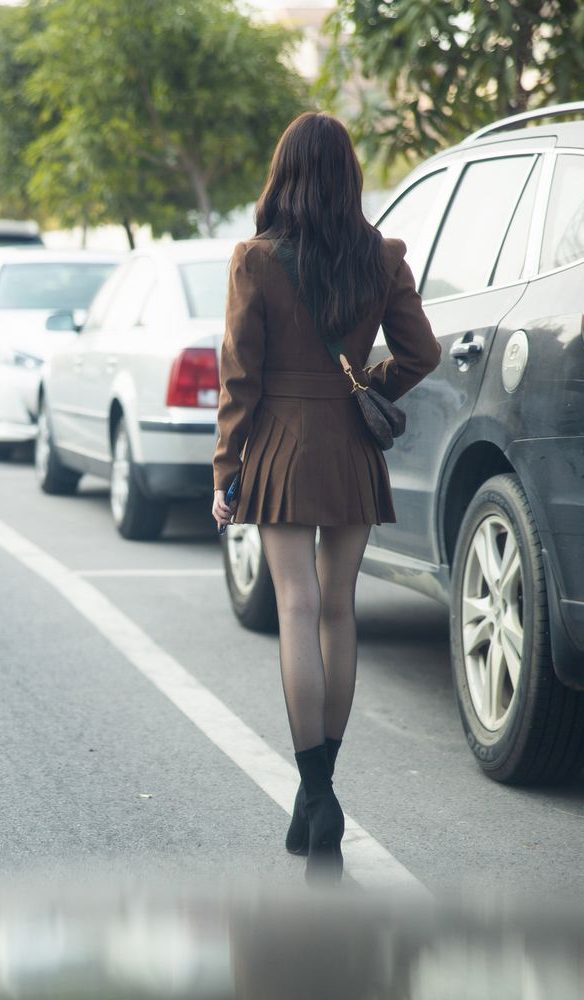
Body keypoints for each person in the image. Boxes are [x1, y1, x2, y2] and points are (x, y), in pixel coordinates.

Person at [211, 112, 441, 875]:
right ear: (349, 176)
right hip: (349, 445)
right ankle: (325, 788)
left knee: (297, 608)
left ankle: (313, 792)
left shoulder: (256, 260)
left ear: (285, 173)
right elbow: (422, 351)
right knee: (338, 608)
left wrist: (225, 470)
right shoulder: (381, 257)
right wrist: (370, 385)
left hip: (278, 445)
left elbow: (239, 380)